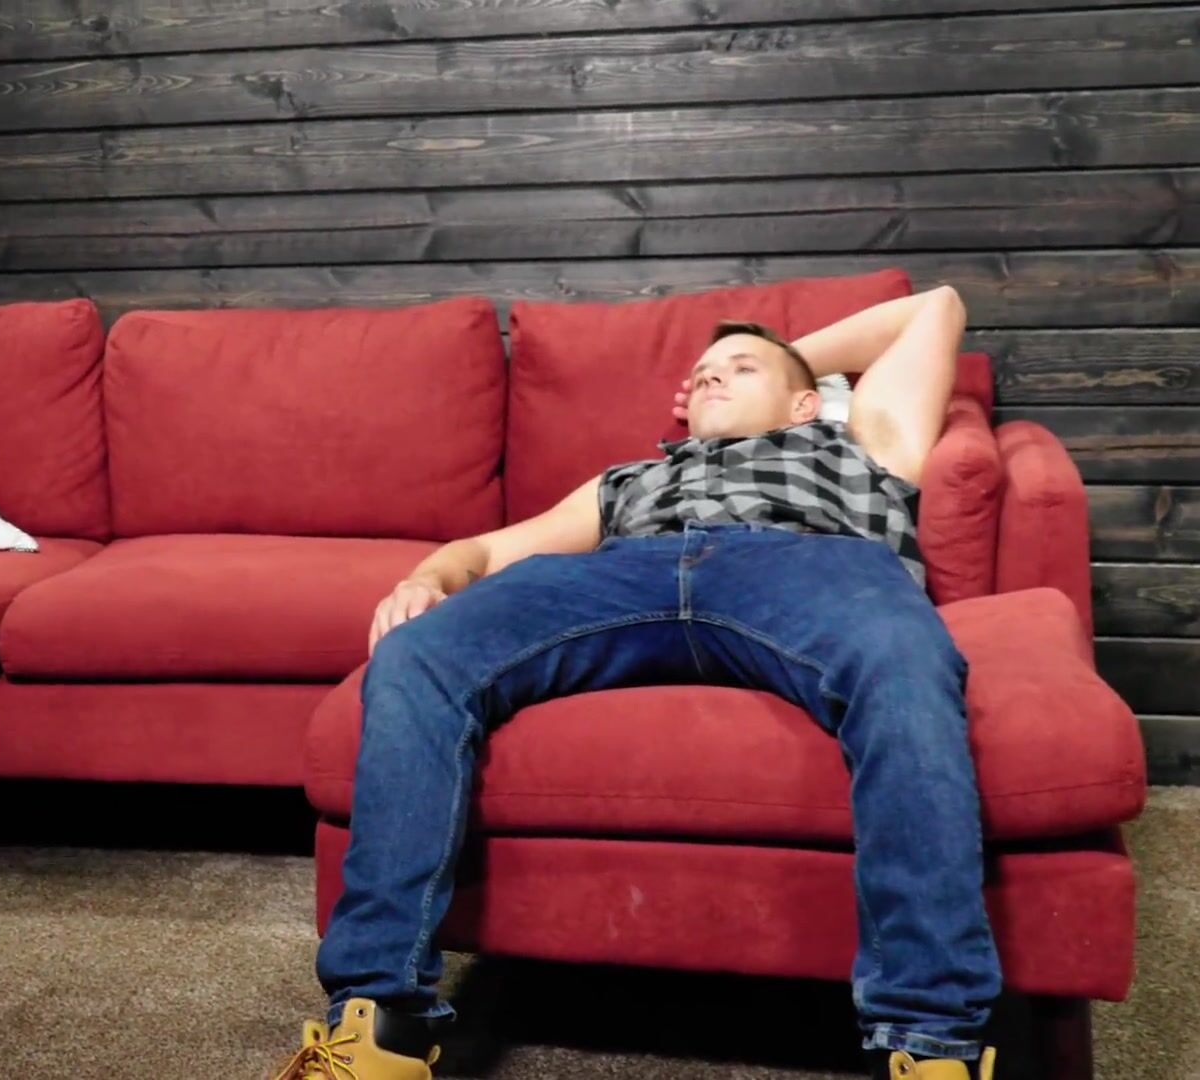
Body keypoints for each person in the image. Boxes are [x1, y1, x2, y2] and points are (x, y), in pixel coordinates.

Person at [269, 286, 1002, 1080]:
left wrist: (793, 362)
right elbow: (485, 550)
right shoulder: (629, 480)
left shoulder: (862, 440)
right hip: (626, 576)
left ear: (802, 402)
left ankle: (930, 1045)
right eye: (703, 370)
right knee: (418, 654)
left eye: (739, 368)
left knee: (905, 661)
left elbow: (935, 308)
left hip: (809, 565)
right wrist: (429, 576)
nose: (712, 377)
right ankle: (379, 1027)